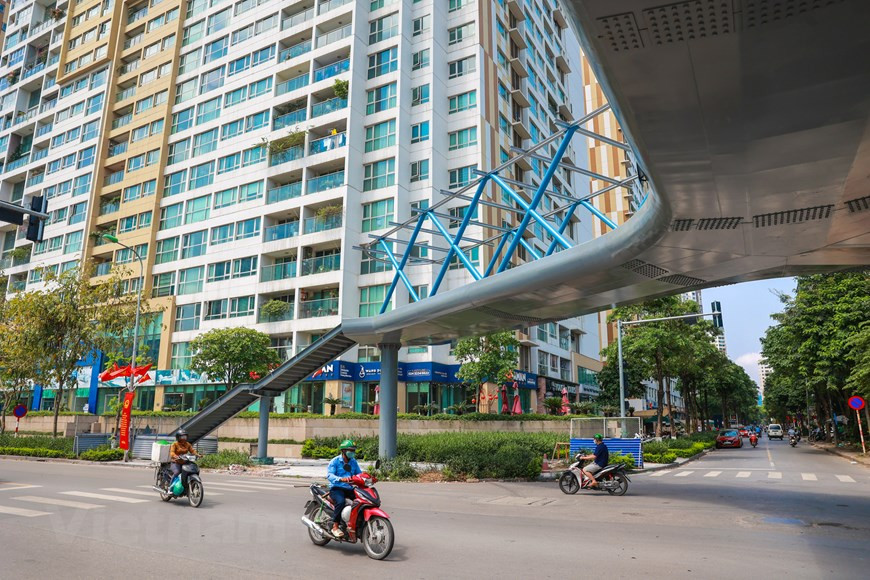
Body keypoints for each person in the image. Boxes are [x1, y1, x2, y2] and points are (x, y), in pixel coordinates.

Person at [326, 439, 362, 538]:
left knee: (361, 501)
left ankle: (354, 523)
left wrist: (367, 478)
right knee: (341, 502)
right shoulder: (335, 461)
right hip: (337, 488)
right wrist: (341, 479)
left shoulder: (353, 462)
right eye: (350, 450)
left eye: (353, 450)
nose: (352, 452)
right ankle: (335, 526)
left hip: (349, 488)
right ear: (343, 451)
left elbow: (359, 474)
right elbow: (329, 475)